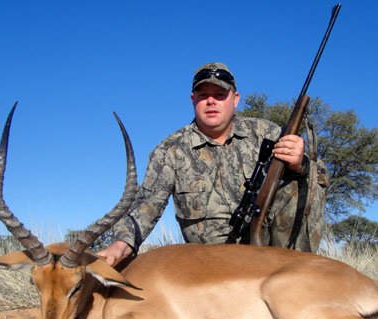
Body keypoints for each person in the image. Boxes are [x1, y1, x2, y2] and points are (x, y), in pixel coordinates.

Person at [98, 62, 327, 266]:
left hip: (268, 250)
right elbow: (145, 206)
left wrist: (302, 164)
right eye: (203, 94)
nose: (210, 101)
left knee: (304, 182)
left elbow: (320, 176)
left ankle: (300, 269)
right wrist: (119, 246)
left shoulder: (266, 133)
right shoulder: (170, 149)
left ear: (235, 99)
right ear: (192, 100)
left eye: (220, 94)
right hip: (209, 265)